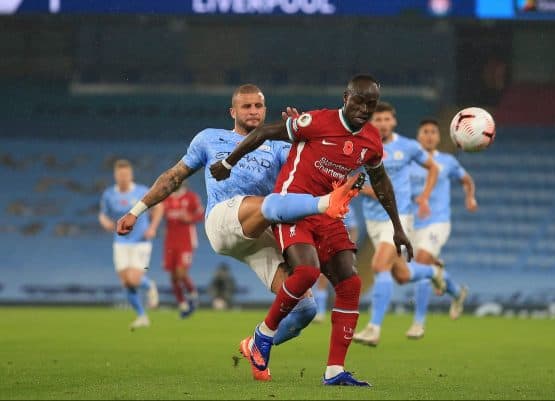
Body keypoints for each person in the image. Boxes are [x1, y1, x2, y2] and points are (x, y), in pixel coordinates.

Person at [115, 84, 361, 381]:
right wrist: (136, 211)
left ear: (265, 109)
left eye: (258, 106)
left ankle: (256, 344)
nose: (253, 112)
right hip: (224, 219)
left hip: (260, 231)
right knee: (271, 204)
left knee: (304, 308)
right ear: (233, 112)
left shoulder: (279, 146)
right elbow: (173, 177)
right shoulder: (209, 139)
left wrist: (301, 143)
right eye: (246, 107)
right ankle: (321, 206)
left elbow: (305, 176)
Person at [210, 75, 413, 387]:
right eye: (358, 101)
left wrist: (397, 227)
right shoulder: (317, 121)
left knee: (350, 282)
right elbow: (265, 131)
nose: (363, 109)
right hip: (294, 207)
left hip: (329, 216)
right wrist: (228, 162)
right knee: (306, 272)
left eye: (369, 104)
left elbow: (381, 181)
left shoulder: (371, 141)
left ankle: (334, 371)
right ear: (346, 97)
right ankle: (262, 337)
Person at [353, 102, 443, 347]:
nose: (382, 124)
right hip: (373, 219)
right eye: (377, 120)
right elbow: (351, 176)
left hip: (400, 217)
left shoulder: (408, 147)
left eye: (386, 119)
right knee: (402, 274)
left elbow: (432, 167)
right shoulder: (361, 144)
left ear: (394, 121)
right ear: (370, 123)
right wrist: (363, 189)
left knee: (379, 264)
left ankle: (374, 328)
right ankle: (433, 272)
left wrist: (424, 195)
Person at [405, 119, 475, 339]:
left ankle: (418, 323)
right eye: (425, 131)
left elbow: (466, 180)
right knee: (422, 269)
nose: (429, 135)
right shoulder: (409, 162)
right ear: (418, 136)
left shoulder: (448, 161)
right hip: (412, 223)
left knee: (422, 262)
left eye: (433, 132)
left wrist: (470, 198)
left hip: (438, 221)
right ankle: (456, 291)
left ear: (438, 136)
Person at [98, 159, 162, 330]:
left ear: (130, 175)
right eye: (120, 175)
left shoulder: (142, 191)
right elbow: (103, 215)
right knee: (126, 282)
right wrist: (106, 223)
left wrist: (153, 227)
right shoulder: (109, 194)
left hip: (140, 241)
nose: (123, 177)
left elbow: (159, 208)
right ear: (115, 175)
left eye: (126, 174)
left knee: (134, 279)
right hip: (120, 242)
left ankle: (150, 286)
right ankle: (142, 316)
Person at [162, 181, 204, 318]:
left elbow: (202, 214)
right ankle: (182, 304)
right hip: (170, 241)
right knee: (173, 276)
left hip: (186, 240)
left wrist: (190, 217)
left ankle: (193, 295)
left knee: (181, 272)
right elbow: (157, 214)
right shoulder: (166, 198)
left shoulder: (191, 197)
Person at [313, 204, 359, 323]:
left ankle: (345, 311)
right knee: (322, 278)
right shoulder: (320, 204)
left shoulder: (345, 206)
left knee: (345, 280)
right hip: (325, 246)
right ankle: (321, 312)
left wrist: (350, 248)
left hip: (342, 248)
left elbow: (353, 229)